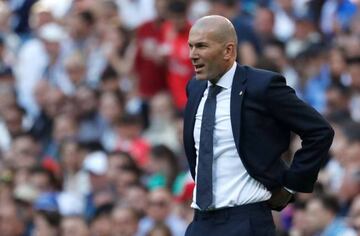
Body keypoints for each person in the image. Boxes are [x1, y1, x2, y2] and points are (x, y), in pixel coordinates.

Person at [183, 15, 334, 235]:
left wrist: (292, 184)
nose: (192, 55)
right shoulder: (195, 89)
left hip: (246, 220)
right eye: (191, 46)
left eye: (201, 46)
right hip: (200, 222)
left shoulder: (262, 86)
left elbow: (319, 131)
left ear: (228, 51)